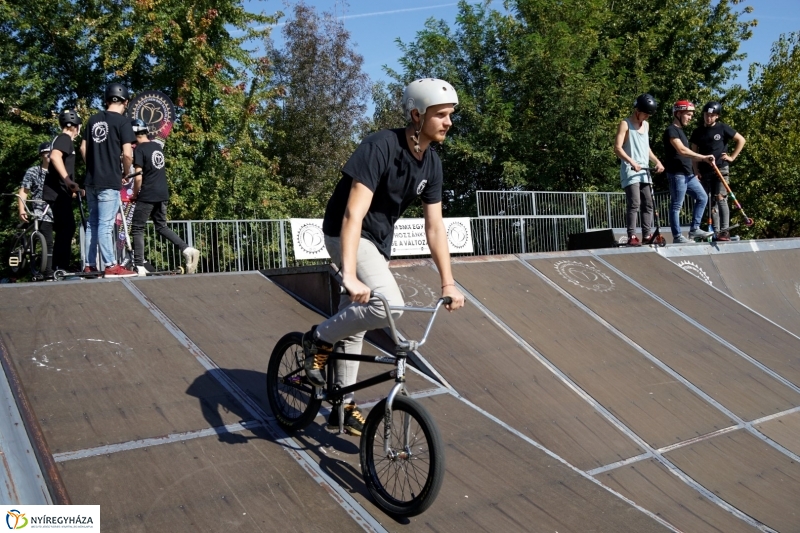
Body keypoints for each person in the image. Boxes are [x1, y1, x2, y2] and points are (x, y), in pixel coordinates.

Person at [302, 78, 466, 435]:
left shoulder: (432, 164)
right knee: (390, 304)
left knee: (357, 319)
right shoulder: (380, 146)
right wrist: (349, 273)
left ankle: (341, 405)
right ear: (416, 115)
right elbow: (352, 215)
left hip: (377, 242)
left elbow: (435, 229)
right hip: (344, 234)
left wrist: (448, 282)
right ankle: (317, 339)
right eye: (441, 115)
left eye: (450, 114)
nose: (448, 122)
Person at [80, 83, 137, 277]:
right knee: (105, 223)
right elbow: (128, 154)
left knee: (92, 224)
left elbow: (82, 148)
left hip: (91, 180)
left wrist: (93, 166)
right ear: (126, 102)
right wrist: (126, 173)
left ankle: (89, 265)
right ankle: (111, 265)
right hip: (109, 180)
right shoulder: (122, 123)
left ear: (106, 99)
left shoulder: (92, 120)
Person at [130, 119, 200, 275]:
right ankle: (187, 249)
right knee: (161, 226)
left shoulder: (139, 150)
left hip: (148, 193)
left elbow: (139, 177)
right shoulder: (157, 147)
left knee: (137, 228)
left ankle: (139, 265)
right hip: (163, 193)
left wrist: (135, 194)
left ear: (134, 133)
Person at [690, 101, 746, 242]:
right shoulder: (697, 132)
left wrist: (731, 157)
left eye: (711, 115)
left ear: (716, 116)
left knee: (721, 197)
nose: (708, 118)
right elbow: (693, 154)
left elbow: (741, 140)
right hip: (704, 171)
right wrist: (696, 171)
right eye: (706, 115)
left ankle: (725, 231)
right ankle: (715, 231)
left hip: (720, 168)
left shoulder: (722, 128)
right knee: (710, 201)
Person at [613, 94, 665, 246]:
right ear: (637, 110)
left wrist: (657, 161)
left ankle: (647, 234)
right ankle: (632, 236)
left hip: (645, 171)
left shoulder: (646, 126)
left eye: (649, 115)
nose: (647, 117)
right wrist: (631, 162)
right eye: (645, 114)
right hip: (631, 170)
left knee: (648, 203)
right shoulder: (625, 123)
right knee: (635, 202)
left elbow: (646, 148)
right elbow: (617, 148)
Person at [662, 100, 716, 243]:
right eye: (688, 114)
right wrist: (703, 158)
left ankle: (694, 229)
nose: (691, 118)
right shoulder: (671, 130)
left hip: (688, 175)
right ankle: (677, 236)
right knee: (676, 205)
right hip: (677, 174)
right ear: (678, 113)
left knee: (703, 198)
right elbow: (682, 150)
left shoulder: (681, 132)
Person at [42, 109, 82, 275]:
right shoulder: (65, 138)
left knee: (63, 228)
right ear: (76, 127)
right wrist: (68, 181)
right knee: (67, 227)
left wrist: (71, 187)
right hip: (57, 193)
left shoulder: (60, 139)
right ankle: (60, 267)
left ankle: (58, 266)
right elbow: (55, 157)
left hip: (59, 191)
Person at [18, 143, 54, 278]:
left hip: (55, 208)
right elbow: (24, 191)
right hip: (40, 207)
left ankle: (58, 266)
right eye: (46, 153)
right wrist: (21, 209)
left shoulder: (58, 171)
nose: (49, 155)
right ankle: (47, 271)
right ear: (41, 155)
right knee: (48, 240)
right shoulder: (33, 171)